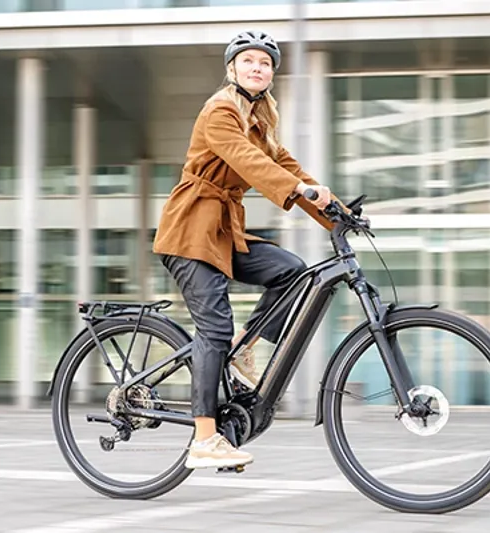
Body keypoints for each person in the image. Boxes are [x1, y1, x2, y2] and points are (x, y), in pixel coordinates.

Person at [152, 29, 346, 470]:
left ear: (271, 74)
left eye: (265, 63)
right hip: (191, 230)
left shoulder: (261, 119)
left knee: (294, 272)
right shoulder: (220, 109)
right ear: (232, 68)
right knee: (214, 329)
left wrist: (335, 211)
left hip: (224, 232)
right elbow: (249, 162)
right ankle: (204, 437)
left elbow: (284, 164)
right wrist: (299, 190)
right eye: (249, 61)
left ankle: (245, 347)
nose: (257, 68)